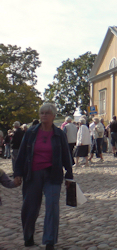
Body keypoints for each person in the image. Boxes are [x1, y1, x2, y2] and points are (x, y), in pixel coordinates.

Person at [14, 103, 73, 249]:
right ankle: (28, 236)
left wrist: (69, 176)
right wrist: (18, 173)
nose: (44, 116)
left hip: (52, 174)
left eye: (47, 113)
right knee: (30, 207)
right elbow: (21, 154)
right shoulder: (31, 132)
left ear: (53, 116)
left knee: (52, 206)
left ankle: (49, 241)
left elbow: (66, 155)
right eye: (41, 113)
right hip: (32, 174)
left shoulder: (59, 134)